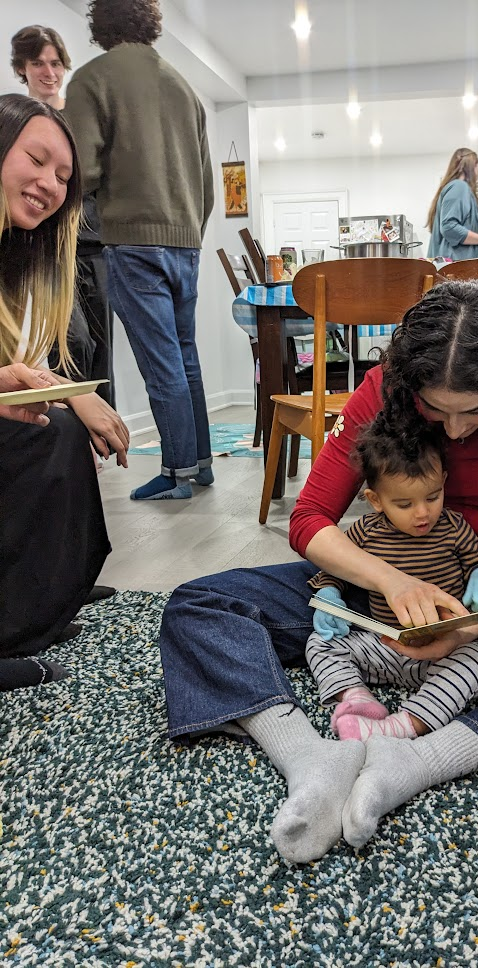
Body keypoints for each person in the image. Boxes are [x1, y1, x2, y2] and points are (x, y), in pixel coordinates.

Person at [158, 279, 478, 865]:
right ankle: (309, 757)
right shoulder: (383, 388)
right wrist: (390, 581)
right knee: (200, 603)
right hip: (369, 592)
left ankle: (419, 759)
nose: (455, 429)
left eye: (477, 410)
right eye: (435, 410)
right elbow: (310, 519)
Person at [0, 93, 130, 691]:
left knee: (64, 427)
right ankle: (13, 628)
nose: (49, 183)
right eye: (36, 158)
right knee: (44, 435)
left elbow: (25, 363)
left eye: (63, 177)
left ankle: (51, 593)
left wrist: (75, 394)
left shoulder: (24, 257)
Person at [64, 0, 215, 501]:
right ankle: (202, 463)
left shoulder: (93, 79)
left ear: (100, 22)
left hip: (132, 241)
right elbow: (208, 185)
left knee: (161, 364)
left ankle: (176, 473)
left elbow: (78, 172)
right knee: (185, 357)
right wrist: (188, 229)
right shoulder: (183, 87)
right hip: (186, 242)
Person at [307, 414, 478, 742]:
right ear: (376, 500)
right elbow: (333, 571)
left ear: (443, 481)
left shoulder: (454, 527)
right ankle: (356, 699)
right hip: (382, 645)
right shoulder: (365, 532)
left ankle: (404, 726)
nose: (422, 513)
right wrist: (329, 597)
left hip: (443, 650)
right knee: (320, 643)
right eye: (403, 503)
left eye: (432, 496)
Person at [10, 24, 115, 407]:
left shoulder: (81, 119)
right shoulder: (16, 123)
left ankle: (102, 430)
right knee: (71, 339)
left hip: (95, 245)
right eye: (37, 62)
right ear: (23, 67)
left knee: (101, 345)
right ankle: (66, 418)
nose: (48, 72)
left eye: (55, 63)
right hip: (50, 247)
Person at [426, 148, 478, 261]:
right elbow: (449, 227)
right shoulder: (459, 187)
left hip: (457, 269)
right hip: (457, 268)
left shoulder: (456, 189)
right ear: (471, 166)